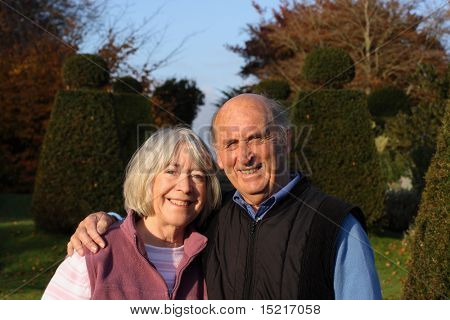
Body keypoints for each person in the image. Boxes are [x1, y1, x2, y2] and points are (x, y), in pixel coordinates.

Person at [67, 94, 382, 299]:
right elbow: (161, 220)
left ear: (285, 142)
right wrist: (110, 221)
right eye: (231, 144)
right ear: (219, 156)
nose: (244, 157)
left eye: (256, 138)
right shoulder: (211, 216)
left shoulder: (336, 225)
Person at [42, 127, 221, 299]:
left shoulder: (215, 255)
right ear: (146, 180)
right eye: (171, 171)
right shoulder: (94, 252)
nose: (185, 187)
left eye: (197, 176)